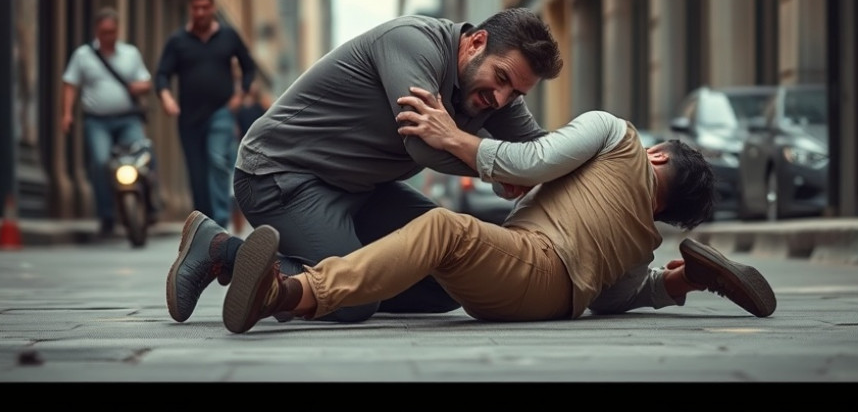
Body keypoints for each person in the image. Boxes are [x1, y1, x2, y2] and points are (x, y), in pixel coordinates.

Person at [216, 88, 776, 334]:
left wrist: (452, 135)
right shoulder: (642, 242)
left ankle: (286, 294)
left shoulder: (617, 135)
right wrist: (668, 286)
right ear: (667, 211)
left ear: (655, 153)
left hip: (530, 266)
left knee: (439, 226)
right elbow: (612, 298)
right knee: (425, 255)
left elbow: (533, 156)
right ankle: (224, 256)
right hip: (545, 300)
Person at [165, 7, 564, 325]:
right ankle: (220, 247)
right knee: (355, 303)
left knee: (452, 279)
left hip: (360, 191)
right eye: (501, 79)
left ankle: (323, 275)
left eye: (515, 93)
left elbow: (538, 151)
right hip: (280, 176)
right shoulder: (414, 43)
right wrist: (502, 167)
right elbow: (423, 148)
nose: (501, 97)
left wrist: (599, 152)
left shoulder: (493, 92)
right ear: (477, 42)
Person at [155, 0, 256, 229]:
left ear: (213, 8)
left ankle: (220, 222)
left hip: (221, 112)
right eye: (195, 8)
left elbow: (249, 67)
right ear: (190, 9)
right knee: (197, 174)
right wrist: (166, 97)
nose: (200, 12)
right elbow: (162, 75)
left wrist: (240, 95)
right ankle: (206, 224)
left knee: (217, 160)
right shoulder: (178, 41)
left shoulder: (229, 36)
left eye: (205, 7)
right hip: (189, 117)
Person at [61, 7, 156, 238]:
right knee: (101, 162)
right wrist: (67, 113)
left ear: (118, 30)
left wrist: (139, 86)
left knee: (143, 156)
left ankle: (151, 204)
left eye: (112, 31)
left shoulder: (130, 53)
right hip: (97, 122)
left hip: (127, 119)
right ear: (96, 31)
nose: (108, 36)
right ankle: (107, 215)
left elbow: (146, 81)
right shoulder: (83, 55)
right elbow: (70, 84)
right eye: (104, 32)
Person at [230, 80, 273, 234]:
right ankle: (238, 225)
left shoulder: (260, 106)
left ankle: (258, 224)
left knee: (255, 185)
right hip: (242, 148)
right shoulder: (240, 108)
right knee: (239, 186)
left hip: (257, 149)